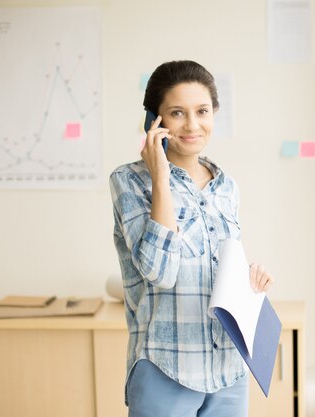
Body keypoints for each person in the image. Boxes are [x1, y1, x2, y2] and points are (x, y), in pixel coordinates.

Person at [109, 60, 274, 417]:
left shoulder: (227, 186)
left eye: (202, 111)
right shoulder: (129, 181)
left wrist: (249, 279)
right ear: (155, 120)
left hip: (229, 370)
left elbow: (217, 265)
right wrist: (161, 178)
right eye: (177, 113)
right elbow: (160, 271)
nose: (193, 124)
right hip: (166, 369)